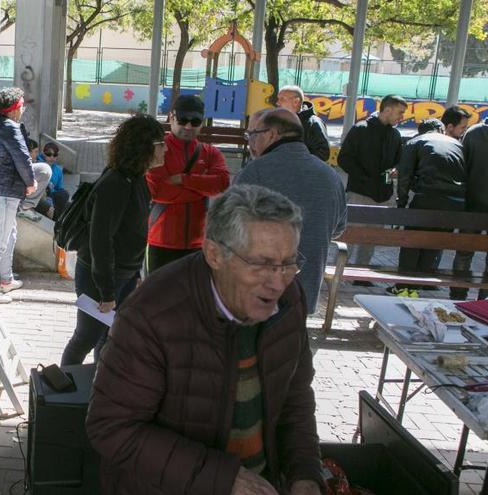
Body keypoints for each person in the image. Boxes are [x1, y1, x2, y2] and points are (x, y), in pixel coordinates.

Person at [86, 184, 323, 495]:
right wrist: (225, 480)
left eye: (288, 263)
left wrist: (304, 473)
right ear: (214, 254)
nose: (278, 281)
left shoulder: (290, 301)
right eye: (261, 264)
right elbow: (111, 427)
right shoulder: (152, 313)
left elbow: (295, 397)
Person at [60, 114, 166, 365]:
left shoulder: (136, 178)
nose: (166, 149)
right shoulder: (116, 183)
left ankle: (97, 392)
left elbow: (132, 232)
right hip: (102, 277)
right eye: (161, 144)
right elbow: (101, 241)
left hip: (123, 275)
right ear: (145, 146)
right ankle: (61, 395)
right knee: (85, 338)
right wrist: (107, 292)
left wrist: (135, 274)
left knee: (109, 339)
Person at [236, 108, 346, 313]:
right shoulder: (330, 176)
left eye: (253, 135)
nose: (250, 142)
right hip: (305, 291)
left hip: (257, 290)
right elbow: (338, 229)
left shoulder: (255, 172)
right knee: (291, 342)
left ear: (271, 135)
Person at [145, 94, 229, 272]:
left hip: (199, 243)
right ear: (172, 117)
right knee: (159, 299)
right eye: (183, 120)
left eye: (195, 121)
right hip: (160, 241)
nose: (188, 126)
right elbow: (159, 192)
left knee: (193, 299)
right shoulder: (158, 150)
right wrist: (202, 188)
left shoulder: (210, 153)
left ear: (203, 122)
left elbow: (222, 183)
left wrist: (182, 179)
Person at [391, 108, 470, 295]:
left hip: (428, 198)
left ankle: (403, 288)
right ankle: (416, 288)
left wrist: (401, 206)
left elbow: (404, 177)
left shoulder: (415, 142)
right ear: (442, 129)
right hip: (456, 203)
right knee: (433, 243)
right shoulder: (457, 144)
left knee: (412, 243)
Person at [337, 94, 407, 284]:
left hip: (382, 196)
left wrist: (389, 176)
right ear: (387, 109)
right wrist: (366, 179)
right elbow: (344, 159)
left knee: (371, 238)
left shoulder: (395, 135)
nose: (402, 117)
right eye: (400, 113)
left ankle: (361, 274)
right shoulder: (361, 129)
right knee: (350, 236)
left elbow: (397, 165)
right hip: (360, 192)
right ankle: (340, 272)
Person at [0, 87, 36, 304]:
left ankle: (6, 279)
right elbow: (22, 158)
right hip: (2, 195)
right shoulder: (10, 128)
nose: (23, 110)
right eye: (21, 106)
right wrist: (30, 183)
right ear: (13, 109)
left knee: (9, 236)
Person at [451, 97, 488, 300]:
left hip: (471, 206)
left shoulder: (473, 132)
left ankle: (457, 296)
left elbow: (462, 168)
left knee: (464, 252)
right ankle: (485, 300)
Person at [275, 85, 330, 161]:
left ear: (296, 102)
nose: (277, 103)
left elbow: (323, 153)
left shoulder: (313, 123)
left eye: (282, 99)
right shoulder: (278, 121)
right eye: (278, 99)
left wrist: (298, 164)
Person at [18, 139, 53, 221]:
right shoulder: (21, 164)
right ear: (29, 152)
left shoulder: (34, 163)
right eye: (36, 152)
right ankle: (25, 208)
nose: (37, 155)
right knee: (48, 207)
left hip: (38, 198)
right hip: (22, 200)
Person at [38, 142, 71, 221]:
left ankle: (57, 217)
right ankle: (57, 219)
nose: (52, 157)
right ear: (44, 154)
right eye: (49, 154)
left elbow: (59, 188)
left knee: (65, 196)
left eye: (55, 155)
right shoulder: (38, 165)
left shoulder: (58, 170)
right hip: (41, 194)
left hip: (52, 195)